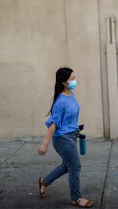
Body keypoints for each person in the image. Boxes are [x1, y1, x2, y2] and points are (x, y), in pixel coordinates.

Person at [37, 67, 95, 208]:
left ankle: (44, 181)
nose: (75, 81)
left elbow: (70, 117)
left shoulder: (71, 95)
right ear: (63, 82)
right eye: (72, 78)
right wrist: (45, 144)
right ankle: (76, 198)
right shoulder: (60, 101)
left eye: (75, 77)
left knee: (66, 166)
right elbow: (53, 124)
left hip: (71, 135)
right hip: (62, 139)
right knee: (75, 166)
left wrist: (76, 130)